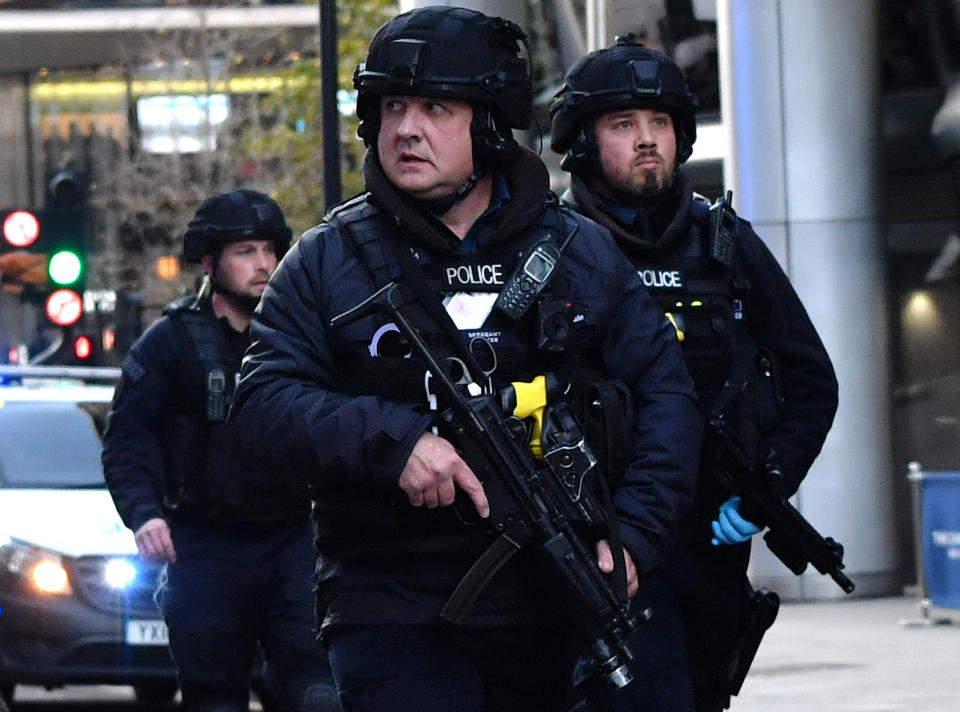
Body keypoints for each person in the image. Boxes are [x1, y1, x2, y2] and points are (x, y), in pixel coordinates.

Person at [227, 7, 702, 712]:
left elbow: (667, 399)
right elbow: (260, 405)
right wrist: (395, 443)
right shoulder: (328, 259)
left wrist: (633, 537)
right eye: (391, 107)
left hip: (551, 602)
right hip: (388, 605)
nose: (406, 128)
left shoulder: (579, 252)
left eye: (434, 107)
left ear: (485, 123)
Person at [550, 35, 840, 712]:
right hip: (602, 544)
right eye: (624, 124)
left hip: (710, 544)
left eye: (661, 124)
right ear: (586, 141)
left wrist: (766, 484)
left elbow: (812, 382)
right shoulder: (551, 249)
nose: (647, 140)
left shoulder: (726, 245)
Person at [101, 190, 337, 712]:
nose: (264, 265)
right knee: (213, 697)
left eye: (271, 251)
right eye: (246, 252)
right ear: (210, 262)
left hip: (294, 541)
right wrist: (144, 515)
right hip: (204, 546)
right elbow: (128, 437)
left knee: (318, 692)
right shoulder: (170, 342)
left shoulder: (303, 336)